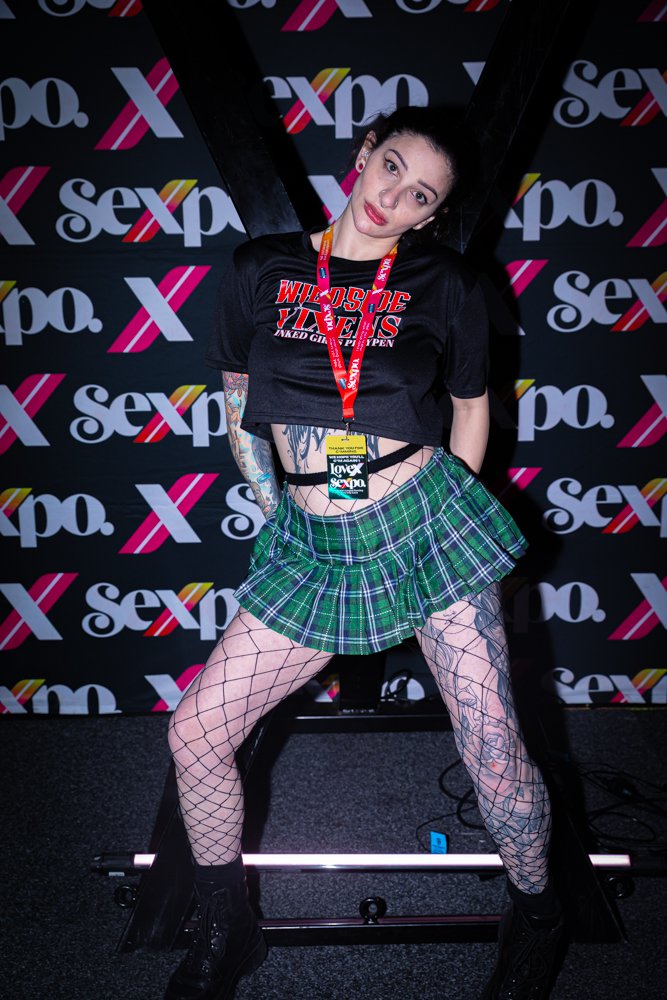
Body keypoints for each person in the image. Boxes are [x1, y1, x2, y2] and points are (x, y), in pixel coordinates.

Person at [164, 106, 563, 1000]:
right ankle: (229, 929)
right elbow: (236, 401)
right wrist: (277, 509)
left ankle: (539, 915)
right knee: (195, 733)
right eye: (390, 167)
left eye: (421, 194)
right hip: (312, 543)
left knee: (493, 748)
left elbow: (471, 407)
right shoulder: (260, 267)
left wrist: (450, 514)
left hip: (423, 520)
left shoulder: (444, 281)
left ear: (433, 215)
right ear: (362, 154)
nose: (394, 197)